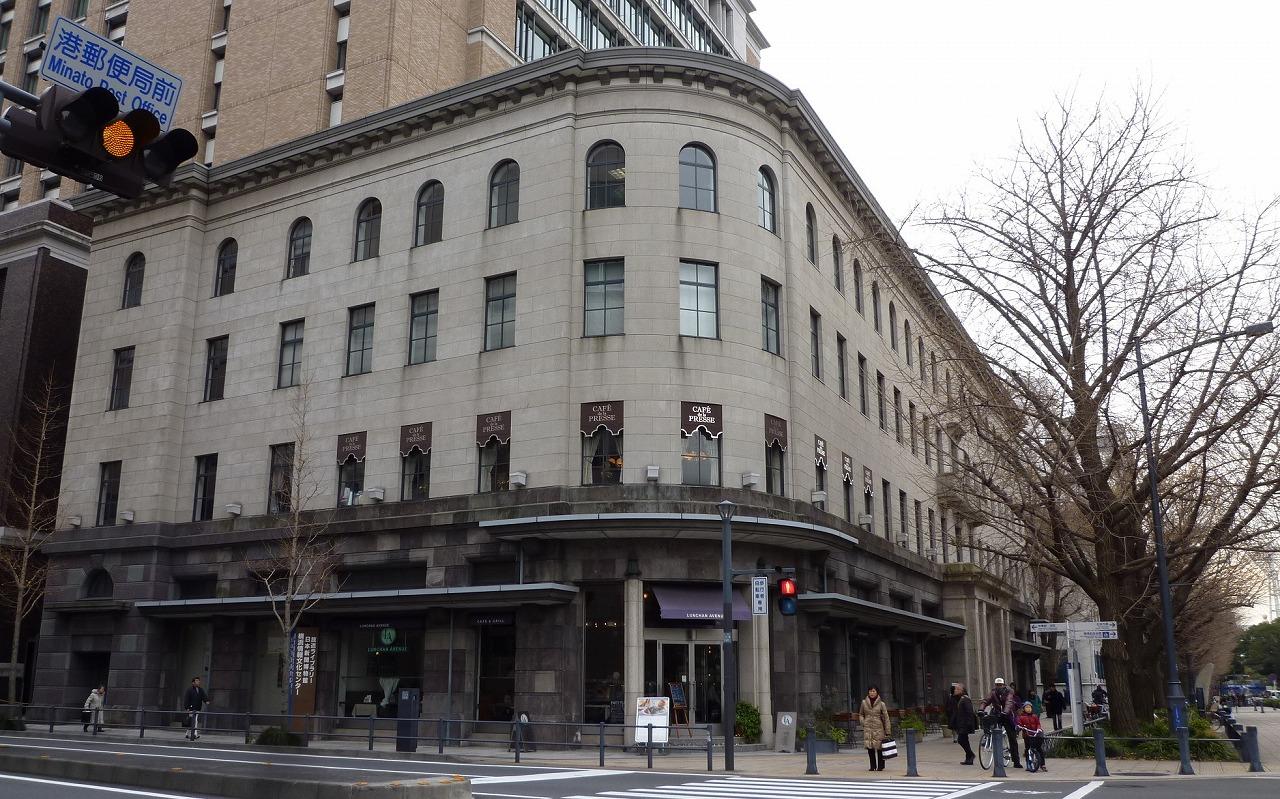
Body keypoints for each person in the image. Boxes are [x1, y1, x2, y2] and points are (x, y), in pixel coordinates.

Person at [981, 677, 1022, 769]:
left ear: (1003, 685)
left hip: (1008, 715)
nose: (998, 686)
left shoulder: (1009, 692)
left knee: (1012, 738)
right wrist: (981, 709)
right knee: (988, 721)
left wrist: (1005, 712)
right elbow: (986, 700)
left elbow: (1009, 702)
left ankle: (1016, 761)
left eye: (1000, 685)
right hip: (997, 714)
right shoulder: (993, 692)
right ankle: (987, 737)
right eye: (997, 685)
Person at [860, 685, 892, 772]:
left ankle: (880, 766)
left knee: (879, 747)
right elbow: (861, 714)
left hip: (878, 728)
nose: (872, 693)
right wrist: (863, 722)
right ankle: (872, 766)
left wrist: (888, 730)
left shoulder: (882, 704)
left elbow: (886, 717)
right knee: (870, 747)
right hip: (868, 728)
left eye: (873, 691)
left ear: (877, 692)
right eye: (870, 691)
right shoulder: (864, 703)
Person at [949, 683, 978, 765]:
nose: (955, 690)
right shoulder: (960, 698)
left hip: (965, 724)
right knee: (964, 740)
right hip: (961, 723)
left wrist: (969, 723)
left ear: (961, 690)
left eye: (956, 689)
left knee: (961, 740)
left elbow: (969, 712)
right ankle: (969, 758)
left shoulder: (965, 699)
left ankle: (971, 755)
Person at [1016, 701, 1046, 772]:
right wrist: (1020, 727)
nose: (1028, 709)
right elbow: (1019, 724)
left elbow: (1038, 723)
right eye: (1027, 707)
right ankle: (1028, 764)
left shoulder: (1034, 716)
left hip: (1035, 734)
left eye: (1029, 707)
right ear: (1024, 709)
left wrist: (1038, 728)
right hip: (1027, 735)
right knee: (1027, 749)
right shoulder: (1021, 717)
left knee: (1039, 749)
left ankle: (1042, 764)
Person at [184, 677, 210, 741]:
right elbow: (186, 699)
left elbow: (203, 696)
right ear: (193, 682)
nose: (198, 682)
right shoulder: (189, 690)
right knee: (195, 720)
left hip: (197, 708)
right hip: (191, 708)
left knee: (192, 721)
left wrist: (206, 701)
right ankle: (195, 734)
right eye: (196, 681)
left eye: (198, 681)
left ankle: (187, 733)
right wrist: (187, 707)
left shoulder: (200, 689)